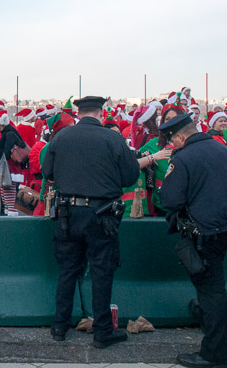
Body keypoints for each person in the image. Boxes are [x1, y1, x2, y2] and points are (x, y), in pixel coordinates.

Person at [41, 96, 139, 348]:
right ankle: (103, 331)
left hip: (68, 214)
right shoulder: (113, 138)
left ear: (79, 113)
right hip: (101, 215)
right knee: (101, 272)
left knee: (68, 270)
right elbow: (129, 176)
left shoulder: (61, 137)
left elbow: (48, 172)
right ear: (101, 113)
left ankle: (59, 326)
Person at [158, 113, 227, 368]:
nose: (173, 145)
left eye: (173, 140)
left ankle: (213, 355)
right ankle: (205, 317)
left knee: (212, 293)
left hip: (206, 233)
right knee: (211, 289)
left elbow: (170, 200)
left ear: (179, 136)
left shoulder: (183, 157)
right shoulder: (225, 150)